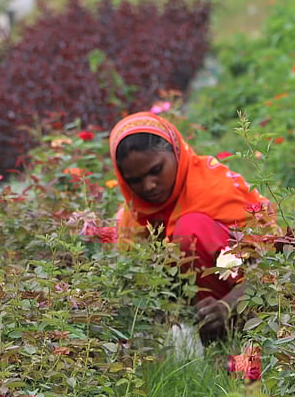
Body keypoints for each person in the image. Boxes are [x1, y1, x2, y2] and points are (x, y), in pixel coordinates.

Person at [109, 112, 275, 342]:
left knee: (189, 229)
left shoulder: (214, 188)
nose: (148, 186)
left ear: (177, 153)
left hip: (249, 306)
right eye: (135, 180)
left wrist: (226, 307)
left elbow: (273, 264)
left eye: (156, 170)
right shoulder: (132, 218)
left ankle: (230, 332)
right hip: (192, 320)